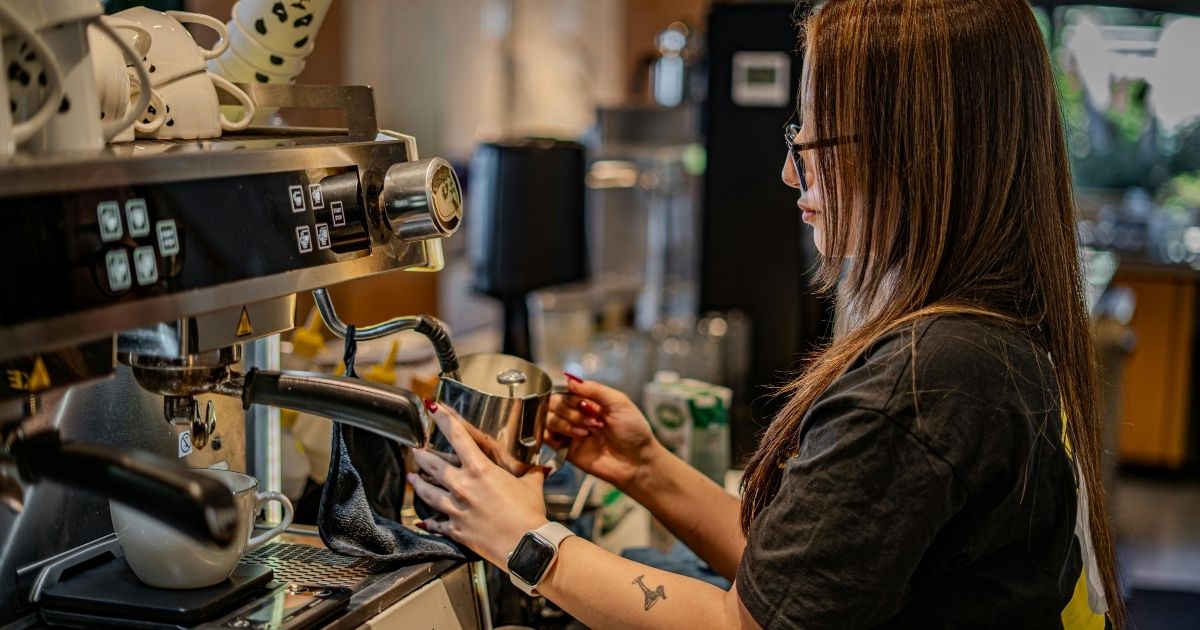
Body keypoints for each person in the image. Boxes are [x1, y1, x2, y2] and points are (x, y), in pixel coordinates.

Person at [409, 0, 1125, 627]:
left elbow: (745, 626)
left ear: (917, 150)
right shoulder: (991, 338)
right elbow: (801, 587)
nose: (791, 172)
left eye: (812, 142)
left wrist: (523, 540)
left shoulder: (927, 381)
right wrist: (646, 467)